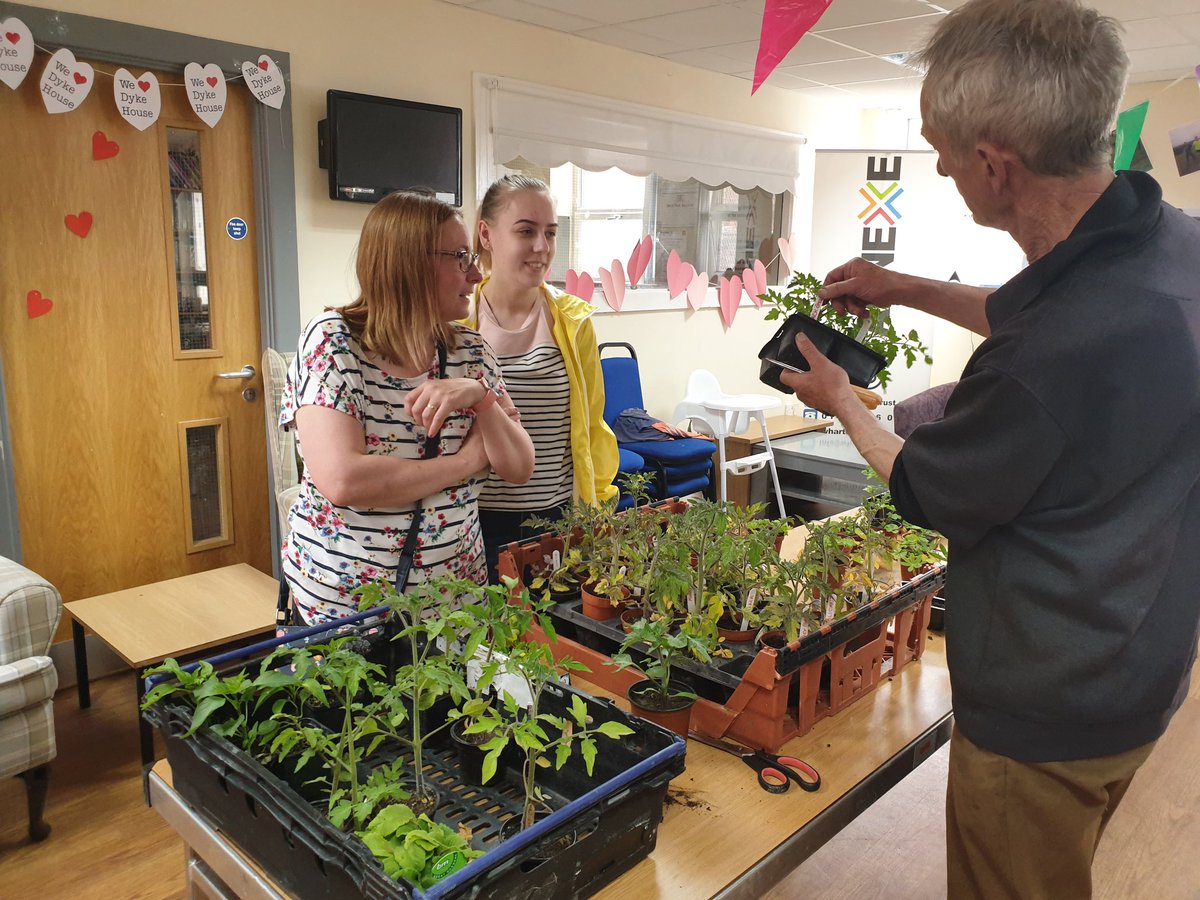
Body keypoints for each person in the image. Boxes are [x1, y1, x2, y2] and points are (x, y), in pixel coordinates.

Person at [778, 1, 1200, 896]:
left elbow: (925, 485)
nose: (938, 166)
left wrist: (842, 401)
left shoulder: (1044, 357)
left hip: (1045, 709)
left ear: (995, 166)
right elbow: (1041, 316)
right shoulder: (1170, 249)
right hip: (1144, 661)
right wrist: (903, 286)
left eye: (943, 150)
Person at [280, 191, 535, 625]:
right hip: (345, 613)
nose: (477, 274)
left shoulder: (471, 352)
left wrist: (481, 398)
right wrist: (467, 461)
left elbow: (519, 466)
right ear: (409, 264)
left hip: (455, 607)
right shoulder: (333, 342)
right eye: (461, 258)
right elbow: (344, 479)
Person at [466, 175, 620, 579]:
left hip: (555, 519)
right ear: (486, 234)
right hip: (475, 522)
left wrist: (598, 513)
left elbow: (592, 428)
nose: (542, 247)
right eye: (526, 231)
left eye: (550, 233)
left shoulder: (572, 321)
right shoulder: (457, 321)